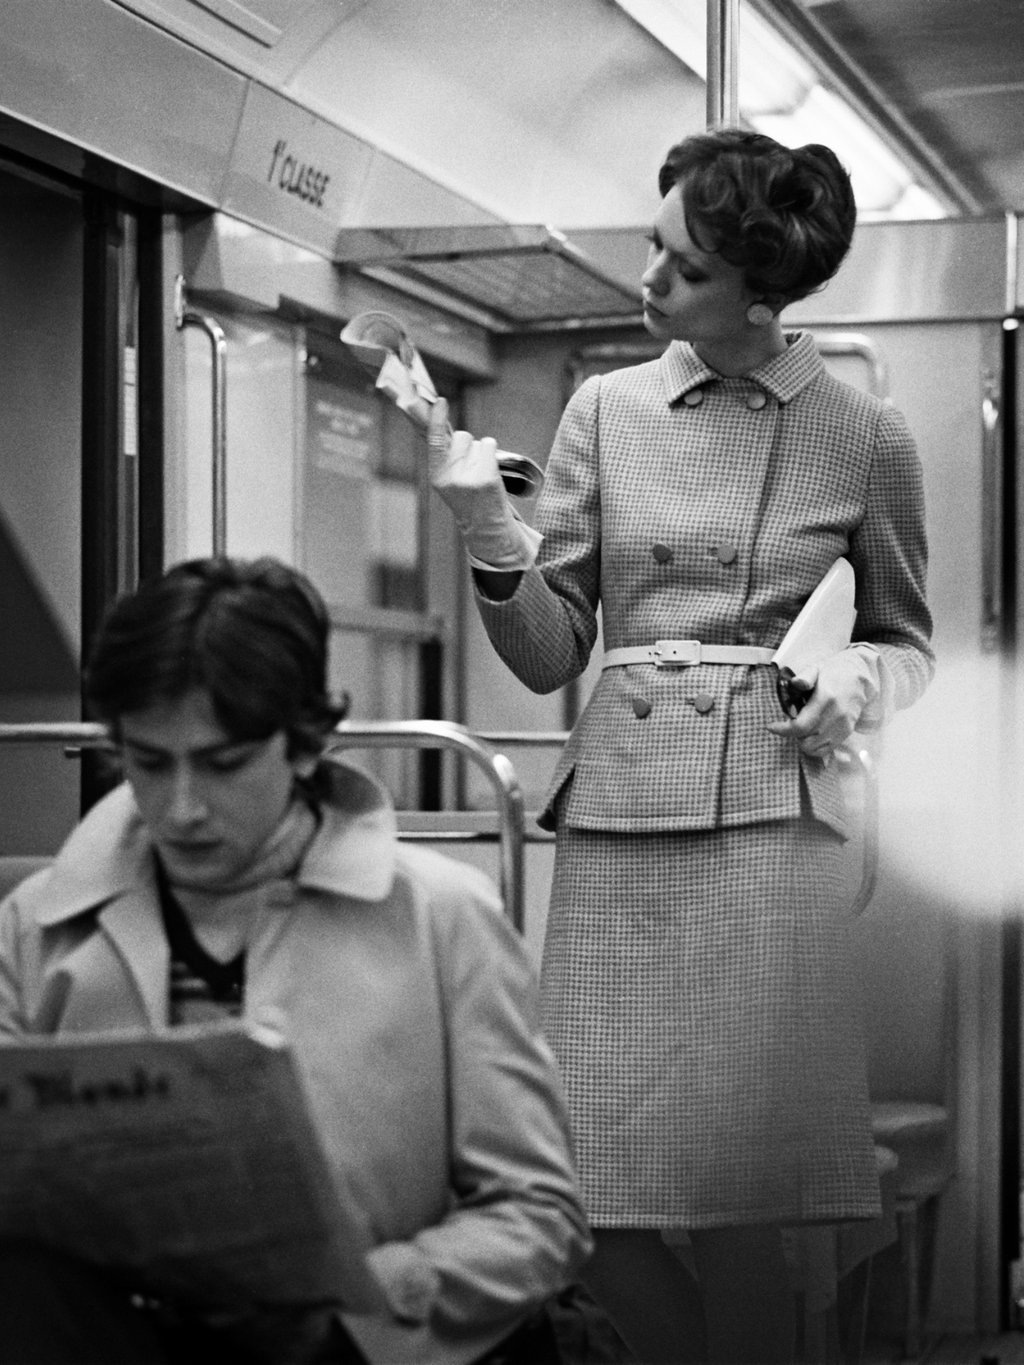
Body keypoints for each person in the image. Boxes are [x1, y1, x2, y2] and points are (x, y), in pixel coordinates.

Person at [426, 128, 933, 1364]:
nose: (646, 285)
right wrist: (491, 531)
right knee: (588, 1190)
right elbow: (553, 653)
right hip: (619, 821)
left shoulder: (865, 438)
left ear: (761, 298)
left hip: (771, 823)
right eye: (653, 249)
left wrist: (856, 682)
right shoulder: (605, 407)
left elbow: (908, 640)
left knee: (739, 1204)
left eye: (682, 268)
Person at [0, 556, 591, 1365]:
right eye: (146, 761)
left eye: (223, 763)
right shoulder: (36, 925)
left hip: (356, 1340)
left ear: (306, 744)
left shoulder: (439, 916)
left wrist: (361, 1308)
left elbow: (539, 1212)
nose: (181, 807)